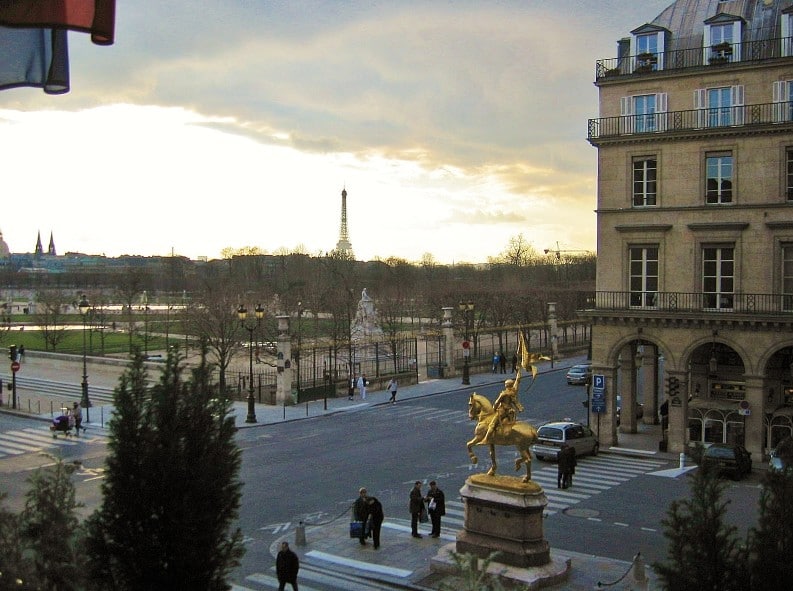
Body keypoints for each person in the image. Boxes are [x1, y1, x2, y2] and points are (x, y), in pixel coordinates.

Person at [484, 372, 524, 442]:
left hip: (502, 411)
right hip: (510, 411)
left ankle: (486, 439)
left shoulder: (504, 394)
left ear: (506, 385)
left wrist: (493, 408)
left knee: (492, 424)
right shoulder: (513, 392)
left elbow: (497, 402)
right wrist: (519, 372)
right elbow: (517, 381)